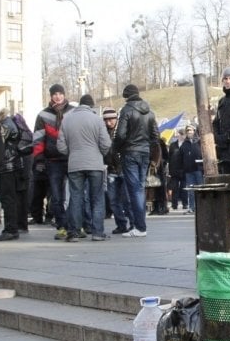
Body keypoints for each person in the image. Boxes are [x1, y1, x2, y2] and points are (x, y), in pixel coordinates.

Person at [57, 95, 111, 242]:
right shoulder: (97, 120)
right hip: (95, 164)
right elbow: (106, 143)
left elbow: (60, 146)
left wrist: (73, 152)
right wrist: (99, 154)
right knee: (97, 198)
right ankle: (98, 233)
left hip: (74, 164)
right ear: (91, 106)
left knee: (75, 198)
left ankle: (73, 233)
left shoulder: (66, 120)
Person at [113, 84, 160, 238]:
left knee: (135, 190)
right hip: (144, 152)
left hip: (130, 152)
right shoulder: (150, 112)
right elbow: (155, 136)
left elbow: (120, 135)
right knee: (139, 188)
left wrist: (117, 149)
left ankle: (139, 226)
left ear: (126, 96)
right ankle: (140, 226)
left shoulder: (126, 110)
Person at [33, 84, 74, 239]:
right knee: (56, 197)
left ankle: (74, 224)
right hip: (53, 160)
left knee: (74, 195)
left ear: (64, 95)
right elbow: (38, 138)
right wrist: (39, 159)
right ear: (51, 96)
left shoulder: (72, 112)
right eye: (55, 94)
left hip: (71, 159)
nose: (58, 96)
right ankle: (62, 225)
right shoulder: (43, 115)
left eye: (60, 93)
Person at [0, 109, 29, 241]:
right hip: (13, 164)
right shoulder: (9, 122)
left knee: (8, 198)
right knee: (12, 197)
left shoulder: (4, 125)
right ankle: (14, 227)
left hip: (8, 165)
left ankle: (11, 229)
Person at [102, 107, 134, 235]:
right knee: (113, 199)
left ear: (116, 119)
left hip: (123, 168)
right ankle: (121, 224)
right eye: (106, 120)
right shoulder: (103, 132)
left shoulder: (122, 130)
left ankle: (132, 224)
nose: (109, 122)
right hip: (111, 168)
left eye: (111, 119)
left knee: (127, 199)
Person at [180, 125, 203, 215]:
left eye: (191, 130)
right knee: (190, 191)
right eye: (188, 130)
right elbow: (180, 158)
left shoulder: (199, 142)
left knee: (201, 189)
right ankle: (192, 207)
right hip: (188, 171)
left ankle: (201, 207)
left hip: (198, 169)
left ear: (194, 131)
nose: (189, 132)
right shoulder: (184, 144)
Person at [168, 129, 187, 210]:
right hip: (174, 170)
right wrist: (170, 170)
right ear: (178, 135)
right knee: (174, 188)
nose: (181, 136)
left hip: (184, 169)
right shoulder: (172, 145)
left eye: (183, 134)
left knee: (184, 188)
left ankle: (185, 204)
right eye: (180, 134)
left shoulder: (186, 144)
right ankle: (174, 204)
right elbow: (169, 158)